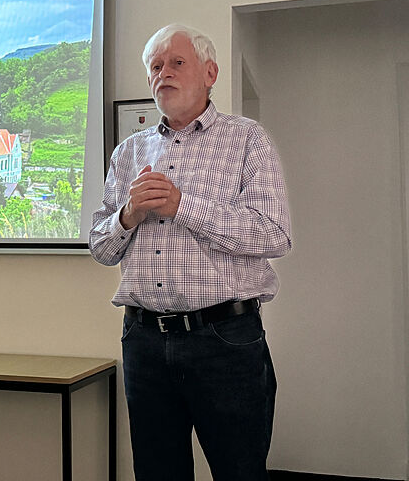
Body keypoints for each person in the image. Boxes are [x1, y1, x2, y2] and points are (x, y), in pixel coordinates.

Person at [89, 24, 291, 480]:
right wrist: (129, 215)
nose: (164, 73)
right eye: (155, 67)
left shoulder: (247, 141)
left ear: (210, 72)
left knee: (239, 471)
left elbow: (273, 235)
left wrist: (183, 206)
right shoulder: (128, 153)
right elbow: (101, 247)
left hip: (225, 340)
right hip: (144, 341)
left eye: (176, 63)